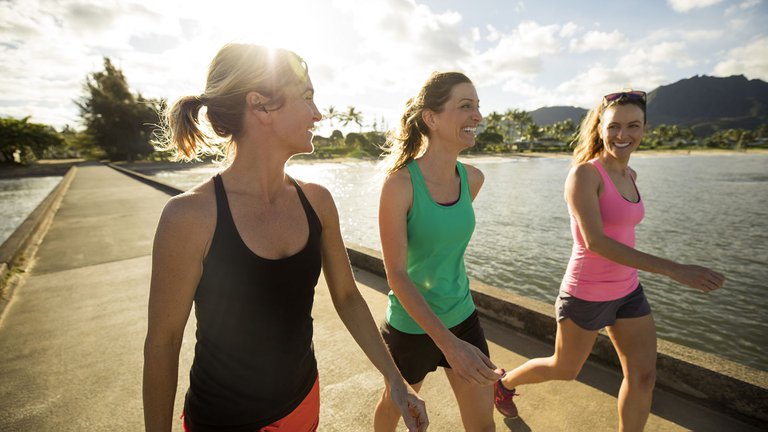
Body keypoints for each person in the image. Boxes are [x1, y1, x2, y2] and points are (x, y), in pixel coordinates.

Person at [142, 43, 428, 432]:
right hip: (222, 420)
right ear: (260, 106)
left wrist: (395, 380)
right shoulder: (190, 216)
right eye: (307, 98)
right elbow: (163, 342)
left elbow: (346, 296)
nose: (318, 113)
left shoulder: (317, 201)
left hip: (303, 404)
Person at [493, 90, 726, 431]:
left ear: (645, 128)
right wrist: (675, 269)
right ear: (600, 127)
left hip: (628, 291)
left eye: (633, 126)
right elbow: (596, 242)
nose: (623, 135)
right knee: (565, 368)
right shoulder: (584, 175)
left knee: (644, 375)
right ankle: (504, 384)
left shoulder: (631, 176)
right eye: (614, 126)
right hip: (586, 292)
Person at [373, 71, 502, 432]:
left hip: (462, 315)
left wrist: (457, 342)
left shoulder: (473, 179)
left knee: (483, 424)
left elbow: (445, 250)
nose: (477, 116)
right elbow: (397, 274)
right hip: (412, 327)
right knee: (392, 409)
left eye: (477, 107)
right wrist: (449, 345)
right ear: (431, 118)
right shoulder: (399, 185)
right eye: (465, 106)